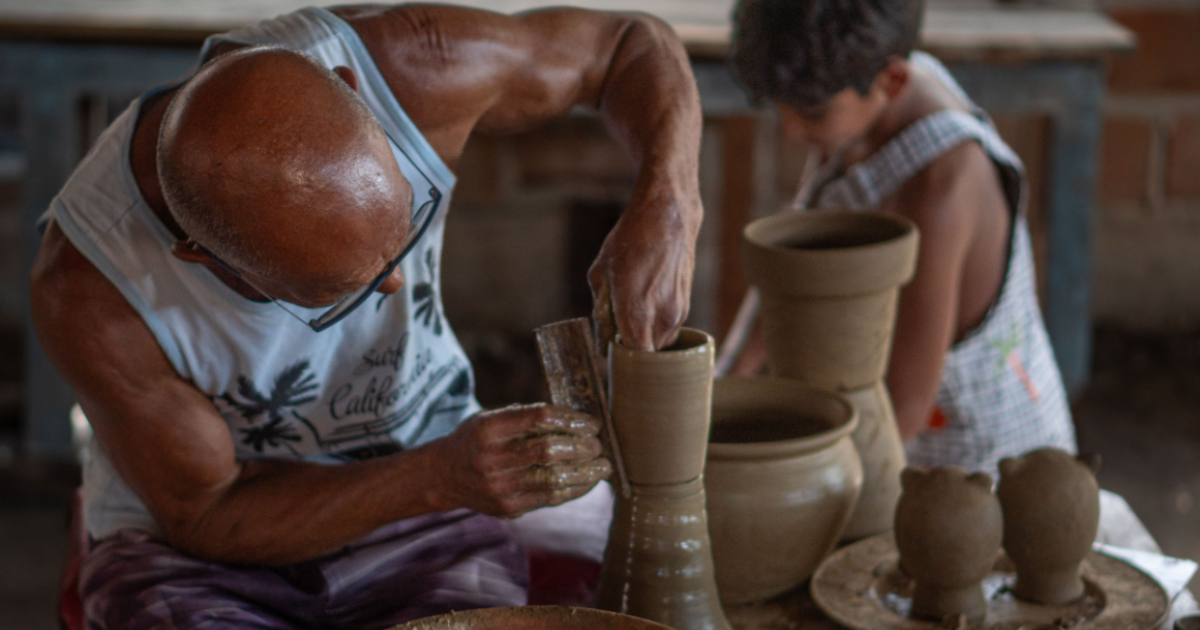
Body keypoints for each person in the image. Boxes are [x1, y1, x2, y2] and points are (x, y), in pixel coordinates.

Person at [29, 5, 702, 629]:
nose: (395, 282)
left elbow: (628, 45)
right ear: (201, 258)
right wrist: (439, 476)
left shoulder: (412, 69)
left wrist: (669, 199)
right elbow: (208, 511)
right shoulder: (93, 293)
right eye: (338, 290)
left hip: (426, 495)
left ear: (352, 89)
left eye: (401, 227)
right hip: (201, 550)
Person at [721, 0, 1076, 476]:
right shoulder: (865, 86)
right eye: (782, 108)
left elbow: (903, 407)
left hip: (980, 465)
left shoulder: (942, 189)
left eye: (812, 113)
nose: (791, 130)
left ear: (893, 81)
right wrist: (723, 383)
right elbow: (790, 274)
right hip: (895, 428)